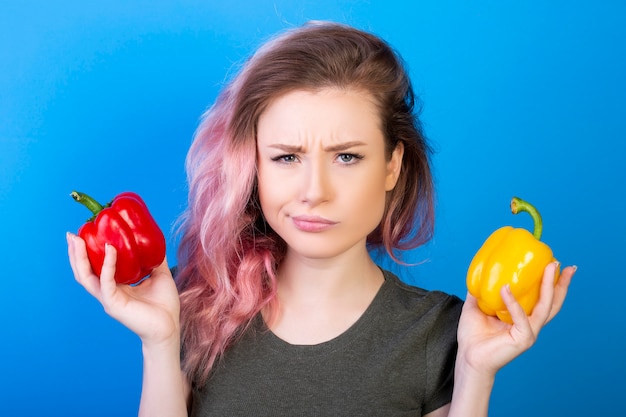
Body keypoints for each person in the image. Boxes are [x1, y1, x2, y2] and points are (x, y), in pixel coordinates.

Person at [67, 21, 575, 416]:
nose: (315, 192)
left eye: (347, 157)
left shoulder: (442, 332)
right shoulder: (193, 310)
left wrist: (474, 373)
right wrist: (160, 341)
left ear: (392, 165)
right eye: (287, 157)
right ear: (255, 168)